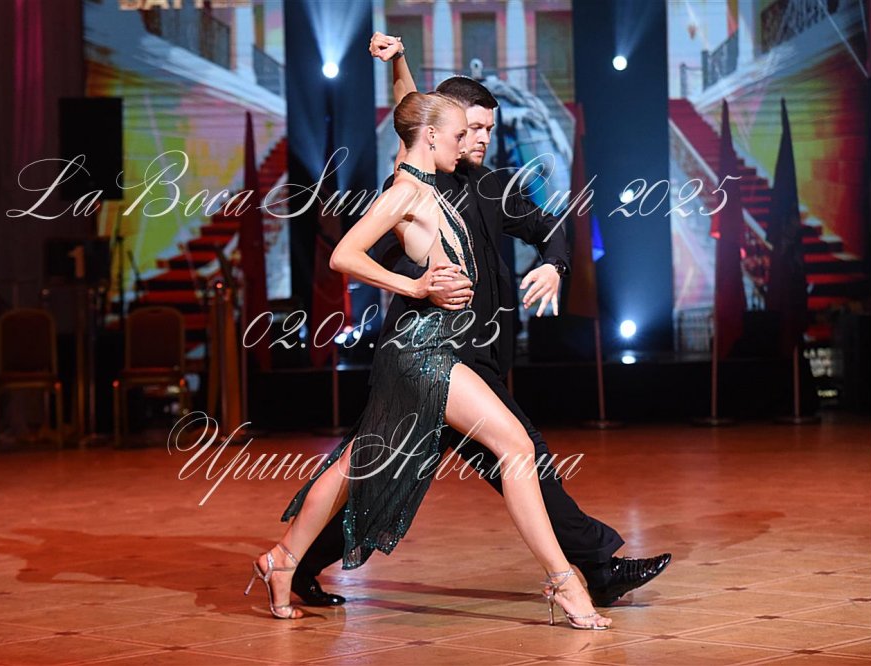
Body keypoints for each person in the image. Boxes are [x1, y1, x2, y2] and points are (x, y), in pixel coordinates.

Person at [287, 34, 670, 610]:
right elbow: (410, 110)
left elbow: (551, 227)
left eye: (490, 128)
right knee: (514, 457)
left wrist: (555, 265)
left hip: (478, 359)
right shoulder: (415, 180)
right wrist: (399, 62)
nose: (484, 138)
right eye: (474, 128)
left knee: (381, 470)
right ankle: (594, 569)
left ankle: (293, 562)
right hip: (431, 357)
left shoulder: (491, 186)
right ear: (443, 129)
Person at [247, 91, 612, 630]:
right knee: (514, 447)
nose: (468, 146)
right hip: (423, 350)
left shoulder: (430, 177)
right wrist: (415, 286)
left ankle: (282, 559)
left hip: (436, 347)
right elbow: (343, 255)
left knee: (356, 464)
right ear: (433, 136)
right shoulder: (405, 190)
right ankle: (564, 582)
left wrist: (398, 62)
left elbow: (413, 107)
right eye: (461, 135)